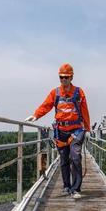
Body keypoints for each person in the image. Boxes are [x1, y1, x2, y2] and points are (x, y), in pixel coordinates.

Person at [25, 63, 90, 199]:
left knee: (76, 157)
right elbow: (46, 105)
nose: (63, 80)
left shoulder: (79, 92)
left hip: (76, 130)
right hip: (60, 131)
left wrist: (88, 128)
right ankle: (66, 186)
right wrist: (36, 115)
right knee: (64, 160)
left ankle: (76, 189)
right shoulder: (55, 93)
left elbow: (84, 110)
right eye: (61, 77)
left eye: (66, 77)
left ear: (71, 77)